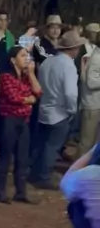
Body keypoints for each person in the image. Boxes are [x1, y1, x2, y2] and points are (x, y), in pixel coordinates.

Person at [30, 31, 81, 190]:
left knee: (41, 144)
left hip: (44, 108)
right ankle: (43, 177)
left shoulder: (48, 61)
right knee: (52, 147)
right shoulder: (69, 66)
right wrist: (72, 110)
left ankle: (34, 173)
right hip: (60, 112)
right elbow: (70, 93)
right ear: (73, 49)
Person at [0, 45, 42, 204]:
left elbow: (38, 92)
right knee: (5, 156)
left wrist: (32, 74)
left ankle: (20, 192)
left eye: (27, 55)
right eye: (23, 55)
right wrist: (29, 99)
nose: (27, 59)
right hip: (8, 120)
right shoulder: (6, 77)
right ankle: (0, 191)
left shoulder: (25, 77)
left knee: (22, 158)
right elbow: (14, 97)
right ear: (13, 60)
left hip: (23, 120)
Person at [78, 31, 100, 157]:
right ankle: (78, 167)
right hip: (92, 105)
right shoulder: (96, 59)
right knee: (86, 142)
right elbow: (91, 83)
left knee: (94, 142)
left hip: (96, 104)